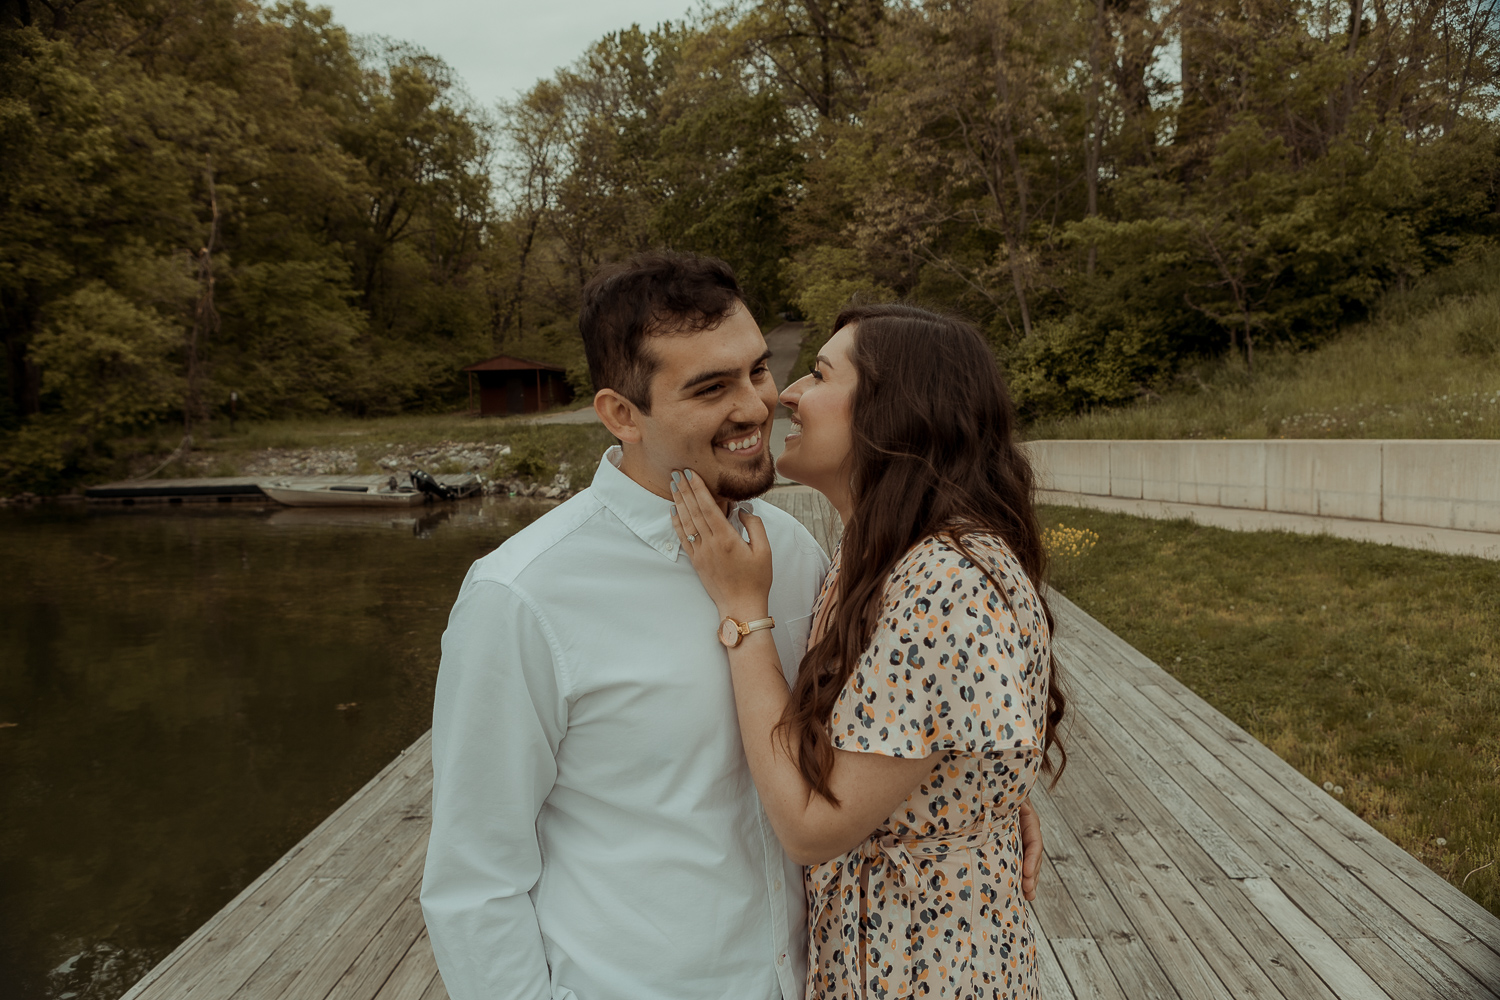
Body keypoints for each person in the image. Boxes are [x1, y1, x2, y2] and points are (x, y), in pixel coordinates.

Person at [420, 252, 1044, 1000]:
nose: (757, 405)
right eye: (711, 388)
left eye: (757, 370)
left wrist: (977, 790)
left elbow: (885, 729)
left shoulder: (797, 551)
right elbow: (475, 883)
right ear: (623, 414)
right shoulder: (521, 597)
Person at [668, 302, 1067, 1000]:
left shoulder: (943, 582)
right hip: (888, 952)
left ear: (897, 414)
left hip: (927, 970)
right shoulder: (878, 556)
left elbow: (812, 828)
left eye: (818, 374)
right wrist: (982, 807)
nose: (782, 395)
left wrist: (741, 614)